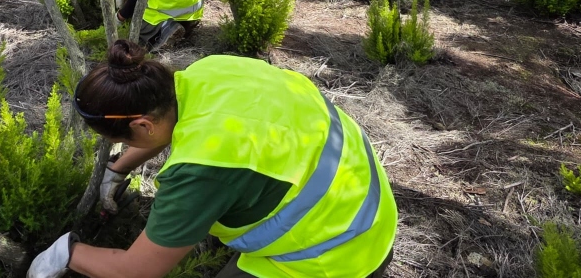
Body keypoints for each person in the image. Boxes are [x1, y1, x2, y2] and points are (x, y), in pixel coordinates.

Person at [28, 39, 398, 278]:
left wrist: (67, 254)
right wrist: (118, 168)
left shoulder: (200, 174)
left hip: (341, 253)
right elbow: (169, 124)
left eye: (120, 142)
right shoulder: (206, 73)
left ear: (143, 124)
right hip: (367, 198)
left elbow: (136, 271)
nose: (123, 147)